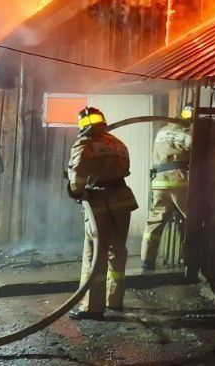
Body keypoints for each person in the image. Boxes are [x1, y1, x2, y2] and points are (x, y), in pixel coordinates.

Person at [66, 106, 137, 320]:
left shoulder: (84, 144)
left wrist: (76, 191)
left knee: (94, 254)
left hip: (99, 202)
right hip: (122, 200)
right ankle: (114, 300)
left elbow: (77, 174)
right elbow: (124, 169)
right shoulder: (117, 143)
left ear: (82, 125)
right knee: (117, 250)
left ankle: (92, 308)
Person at [140, 104, 193, 270]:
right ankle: (190, 259)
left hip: (159, 181)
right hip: (180, 182)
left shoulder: (162, 131)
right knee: (193, 220)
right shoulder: (191, 133)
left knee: (154, 222)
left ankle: (146, 259)